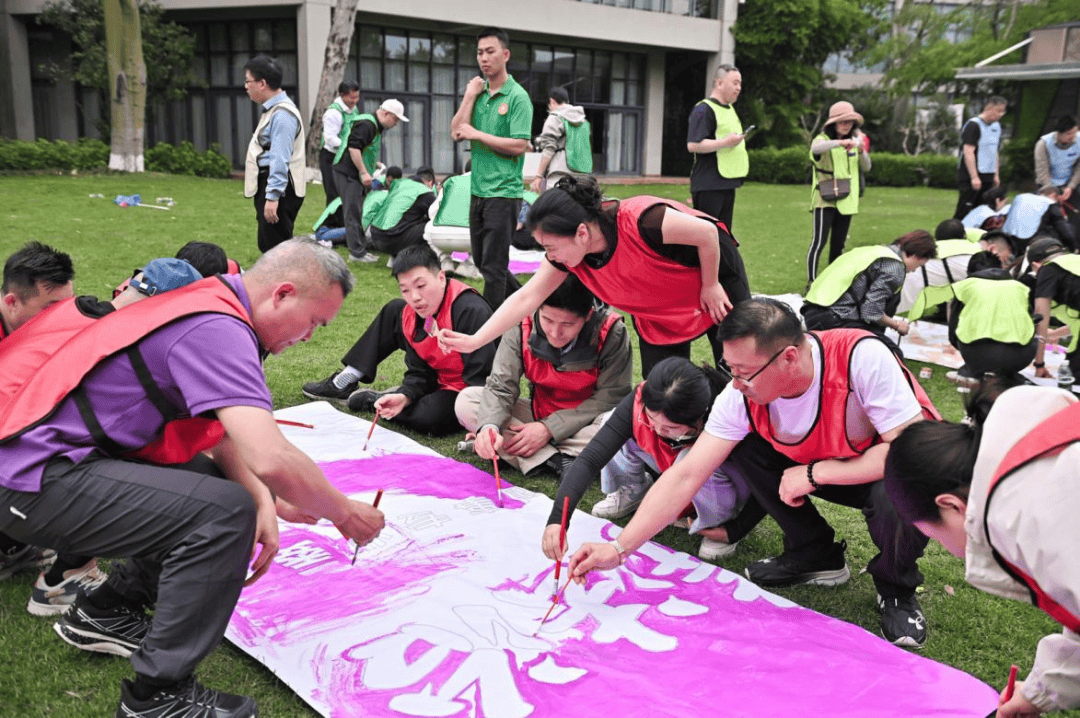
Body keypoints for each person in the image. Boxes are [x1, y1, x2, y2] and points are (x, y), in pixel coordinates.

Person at [0, 239, 384, 717]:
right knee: (224, 513)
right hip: (31, 477)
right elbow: (271, 456)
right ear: (282, 294)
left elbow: (225, 437)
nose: (308, 337)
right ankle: (157, 696)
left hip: (47, 461)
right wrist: (345, 513)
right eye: (314, 322)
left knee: (223, 494)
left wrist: (269, 502)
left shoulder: (211, 301)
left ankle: (109, 610)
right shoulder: (217, 326)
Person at [565, 298, 940, 647]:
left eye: (744, 372)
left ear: (789, 357)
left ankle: (896, 589)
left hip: (884, 468)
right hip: (812, 462)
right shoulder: (740, 395)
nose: (735, 383)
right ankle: (815, 556)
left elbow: (906, 454)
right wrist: (619, 548)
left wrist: (815, 474)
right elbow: (687, 474)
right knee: (743, 446)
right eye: (730, 370)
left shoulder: (861, 357)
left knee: (902, 490)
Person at [883, 385, 1080, 717]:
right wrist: (1040, 692)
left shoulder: (1023, 518)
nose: (948, 550)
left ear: (951, 506)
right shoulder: (1029, 454)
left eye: (935, 535)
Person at [439, 176, 751, 379]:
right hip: (656, 305)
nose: (549, 256)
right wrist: (476, 340)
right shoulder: (569, 257)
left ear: (581, 232)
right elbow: (527, 297)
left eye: (551, 247)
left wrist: (711, 284)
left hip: (712, 276)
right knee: (663, 387)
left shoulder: (644, 220)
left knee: (739, 367)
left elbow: (707, 233)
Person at [545, 357, 760, 561]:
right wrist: (558, 519)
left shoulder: (729, 417)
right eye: (650, 417)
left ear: (699, 419)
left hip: (723, 484)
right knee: (614, 421)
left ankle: (716, 520)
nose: (656, 429)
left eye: (669, 427)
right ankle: (632, 490)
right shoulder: (644, 401)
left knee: (693, 459)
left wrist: (736, 529)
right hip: (672, 466)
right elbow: (591, 458)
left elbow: (768, 481)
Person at [302, 245, 495, 436]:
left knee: (431, 417)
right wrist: (406, 395)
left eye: (421, 286)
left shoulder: (469, 310)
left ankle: (377, 401)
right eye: (405, 290)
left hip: (467, 390)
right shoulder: (415, 314)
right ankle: (348, 379)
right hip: (438, 379)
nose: (415, 297)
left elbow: (481, 382)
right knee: (396, 309)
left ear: (441, 278)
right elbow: (421, 372)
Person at [455, 274, 631, 477]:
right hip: (537, 414)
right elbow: (501, 386)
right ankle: (557, 460)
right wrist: (490, 427)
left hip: (587, 422)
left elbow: (610, 397)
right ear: (537, 307)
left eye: (567, 324)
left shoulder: (611, 332)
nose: (555, 332)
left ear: (588, 315)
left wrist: (549, 429)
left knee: (623, 429)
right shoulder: (521, 322)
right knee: (467, 401)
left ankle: (531, 453)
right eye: (547, 319)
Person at [0, 242, 81, 591]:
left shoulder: (57, 334)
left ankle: (15, 543)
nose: (66, 318)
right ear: (11, 302)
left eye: (68, 305)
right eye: (51, 309)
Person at [450, 27, 533, 309]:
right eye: (479, 53)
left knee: (494, 269)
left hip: (504, 193)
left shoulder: (517, 97)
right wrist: (469, 96)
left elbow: (519, 145)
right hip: (478, 191)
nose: (484, 58)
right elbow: (456, 132)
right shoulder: (478, 93)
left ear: (505, 55)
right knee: (485, 262)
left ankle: (490, 327)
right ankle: (529, 303)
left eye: (490, 51)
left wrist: (477, 135)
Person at [801, 230, 937, 356]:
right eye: (919, 265)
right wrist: (896, 325)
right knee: (891, 354)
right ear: (915, 255)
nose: (914, 270)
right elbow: (870, 312)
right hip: (834, 319)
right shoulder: (895, 268)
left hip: (812, 311)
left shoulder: (875, 251)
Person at [908, 262, 1036, 385]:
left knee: (966, 333)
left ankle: (972, 372)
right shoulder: (1021, 287)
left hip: (977, 354)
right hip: (1021, 357)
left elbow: (954, 324)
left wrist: (957, 345)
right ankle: (1010, 376)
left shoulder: (966, 286)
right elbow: (1030, 320)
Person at [242, 55, 306, 253]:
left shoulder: (282, 114)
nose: (245, 86)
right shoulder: (274, 110)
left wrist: (272, 197)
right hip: (274, 186)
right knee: (272, 246)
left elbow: (280, 159)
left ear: (262, 84)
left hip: (279, 189)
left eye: (248, 81)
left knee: (275, 250)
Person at [333, 99, 409, 263]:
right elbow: (354, 148)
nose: (396, 124)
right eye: (395, 119)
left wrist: (373, 164)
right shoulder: (368, 124)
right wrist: (363, 172)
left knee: (358, 212)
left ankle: (360, 250)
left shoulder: (374, 125)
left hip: (354, 173)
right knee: (352, 212)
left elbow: (364, 148)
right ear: (386, 113)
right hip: (348, 172)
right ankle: (356, 253)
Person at [806, 101, 872, 283]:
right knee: (819, 243)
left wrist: (861, 150)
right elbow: (816, 149)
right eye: (842, 121)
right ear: (833, 123)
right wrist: (840, 143)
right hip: (825, 198)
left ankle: (833, 283)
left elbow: (867, 167)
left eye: (850, 122)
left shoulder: (854, 143)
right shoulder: (822, 139)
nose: (846, 125)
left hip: (847, 200)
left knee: (838, 246)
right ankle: (811, 282)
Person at [686, 64, 747, 230]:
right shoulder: (703, 109)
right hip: (709, 185)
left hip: (727, 183)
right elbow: (693, 145)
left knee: (723, 237)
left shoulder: (730, 109)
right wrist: (726, 142)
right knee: (707, 235)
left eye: (740, 84)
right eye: (735, 83)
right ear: (719, 83)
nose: (739, 88)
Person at [898, 229, 1016, 313]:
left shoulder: (962, 245)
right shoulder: (974, 260)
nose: (1002, 267)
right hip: (904, 291)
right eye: (1004, 260)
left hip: (901, 281)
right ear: (993, 249)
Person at [1027, 237, 1080, 384]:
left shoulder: (1048, 269)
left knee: (1071, 381)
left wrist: (1039, 364)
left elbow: (1041, 319)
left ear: (1036, 264)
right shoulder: (1075, 262)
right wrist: (1054, 334)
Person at [530, 86, 592, 194]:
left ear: (552, 101)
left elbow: (549, 149)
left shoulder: (554, 117)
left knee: (555, 204)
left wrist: (539, 176)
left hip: (560, 174)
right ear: (567, 101)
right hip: (583, 174)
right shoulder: (583, 121)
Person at [954, 96, 1007, 221]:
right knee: (965, 209)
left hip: (988, 174)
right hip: (972, 175)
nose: (1001, 114)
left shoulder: (997, 127)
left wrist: (996, 174)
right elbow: (968, 151)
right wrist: (974, 177)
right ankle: (955, 229)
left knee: (984, 210)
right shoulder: (973, 125)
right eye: (999, 111)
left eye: (1003, 111)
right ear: (989, 108)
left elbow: (994, 151)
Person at [368, 167, 438, 258]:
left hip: (375, 236)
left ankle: (393, 258)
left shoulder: (398, 187)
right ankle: (430, 259)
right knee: (431, 226)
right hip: (391, 241)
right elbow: (438, 216)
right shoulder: (424, 192)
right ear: (430, 182)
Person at [318, 81, 361, 230]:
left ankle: (343, 226)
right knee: (333, 193)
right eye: (351, 97)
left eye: (357, 97)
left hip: (345, 156)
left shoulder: (354, 109)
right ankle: (330, 227)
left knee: (346, 192)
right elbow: (330, 139)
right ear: (343, 95)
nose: (354, 101)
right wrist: (350, 147)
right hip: (330, 157)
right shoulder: (333, 113)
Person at [1001, 185, 1076, 251]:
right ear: (1054, 195)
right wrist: (1073, 248)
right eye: (1059, 200)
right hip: (1042, 244)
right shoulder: (1049, 203)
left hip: (1016, 245)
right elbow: (1065, 231)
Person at [1035, 114, 1080, 204]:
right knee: (1051, 208)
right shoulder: (1043, 144)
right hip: (1048, 184)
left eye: (1074, 133)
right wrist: (1050, 191)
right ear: (1058, 132)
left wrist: (1071, 187)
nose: (1072, 137)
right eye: (1068, 133)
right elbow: (1042, 170)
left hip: (1071, 183)